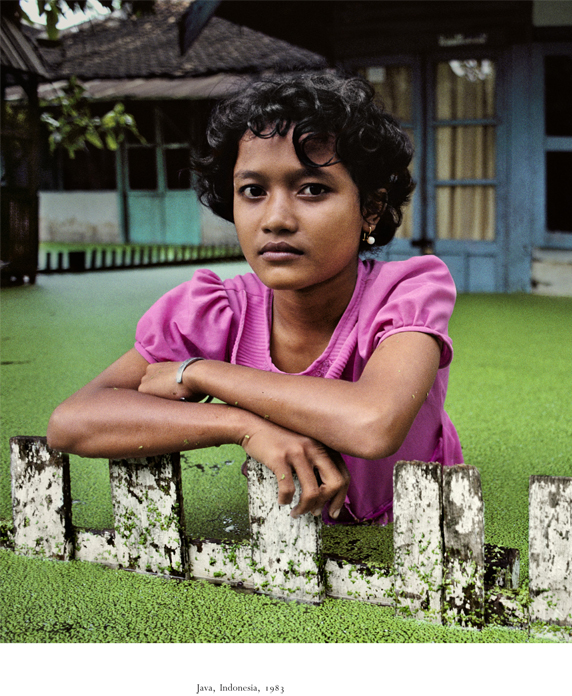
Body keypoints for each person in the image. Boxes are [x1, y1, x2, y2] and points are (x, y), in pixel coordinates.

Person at [47, 71, 462, 524]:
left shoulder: (407, 292)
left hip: (417, 532)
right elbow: (73, 422)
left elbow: (372, 425)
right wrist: (242, 426)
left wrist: (203, 373)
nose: (276, 219)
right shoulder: (218, 310)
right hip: (283, 545)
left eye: (313, 189)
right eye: (253, 191)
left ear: (371, 207)